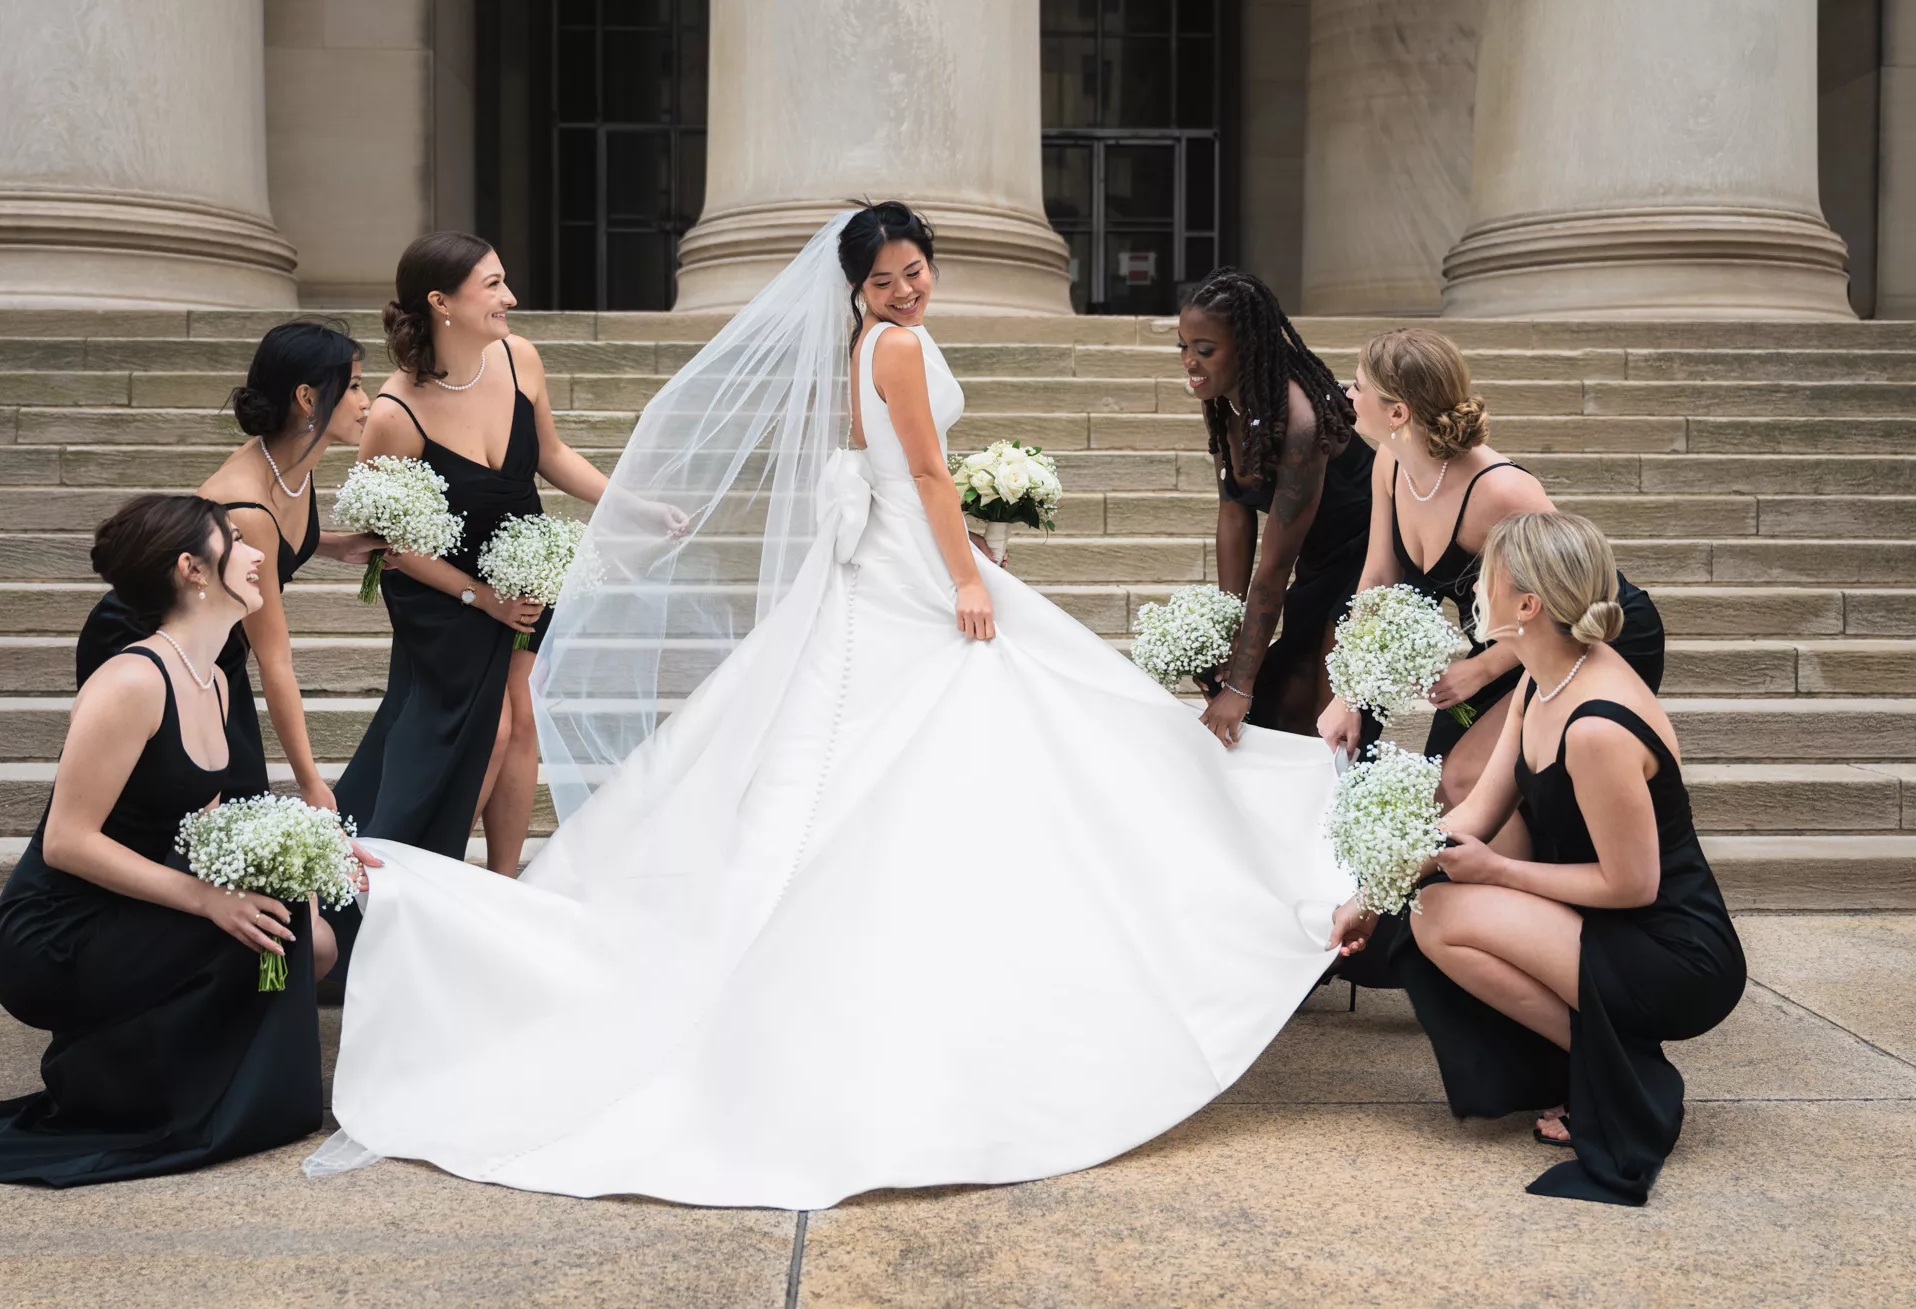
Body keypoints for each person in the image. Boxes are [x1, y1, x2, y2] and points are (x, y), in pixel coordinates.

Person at [306, 203, 1355, 1210]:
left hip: (883, 558)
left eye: (915, 269)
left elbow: (895, 471)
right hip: (909, 567)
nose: (907, 289)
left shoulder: (869, 343)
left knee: (955, 742)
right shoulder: (890, 348)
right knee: (999, 730)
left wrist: (964, 543)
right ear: (854, 288)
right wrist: (967, 578)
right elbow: (930, 480)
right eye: (884, 278)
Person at [0, 496, 367, 1186]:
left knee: (303, 925)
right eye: (235, 541)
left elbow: (218, 821)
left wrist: (317, 851)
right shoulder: (130, 680)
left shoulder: (213, 679)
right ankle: (123, 1086)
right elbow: (66, 842)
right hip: (53, 934)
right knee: (270, 930)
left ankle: (203, 1083)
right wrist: (209, 901)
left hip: (134, 907)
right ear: (192, 569)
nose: (257, 553)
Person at [1331, 513, 1746, 1206]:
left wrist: (1500, 873)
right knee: (1429, 912)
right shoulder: (1540, 677)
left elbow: (1633, 883)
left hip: (1677, 951)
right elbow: (1474, 814)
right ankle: (1601, 1063)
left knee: (1449, 907)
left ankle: (1626, 1075)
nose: (1472, 592)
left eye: (1485, 576)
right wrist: (1373, 895)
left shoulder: (1597, 725)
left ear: (1527, 604)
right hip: (1610, 918)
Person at [333, 231, 613, 878]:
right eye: (492, 285)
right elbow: (390, 549)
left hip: (523, 565)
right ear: (441, 302)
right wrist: (482, 599)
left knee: (522, 724)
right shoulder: (394, 414)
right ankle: (430, 882)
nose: (510, 297)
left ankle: (504, 882)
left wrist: (629, 505)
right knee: (475, 742)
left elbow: (551, 454)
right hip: (447, 597)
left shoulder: (520, 358)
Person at [1318, 329, 1665, 815]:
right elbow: (1377, 581)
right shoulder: (1388, 464)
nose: (1345, 394)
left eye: (1357, 385)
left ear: (1398, 413)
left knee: (1462, 782)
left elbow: (1575, 594)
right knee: (1444, 783)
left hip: (1588, 632)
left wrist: (1480, 669)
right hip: (1509, 638)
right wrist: (1348, 695)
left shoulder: (1502, 492)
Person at [73, 320, 382, 808]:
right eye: (357, 386)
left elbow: (281, 533)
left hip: (213, 641)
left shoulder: (290, 461)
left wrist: (337, 545)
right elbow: (275, 657)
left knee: (229, 801)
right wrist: (311, 782)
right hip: (149, 635)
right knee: (181, 805)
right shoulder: (246, 500)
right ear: (307, 397)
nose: (368, 401)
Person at [1176, 269, 1372, 745]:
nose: (1189, 362)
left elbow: (1274, 564)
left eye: (1204, 350)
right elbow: (1234, 512)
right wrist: (1225, 633)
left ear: (1247, 348)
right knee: (1280, 710)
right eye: (1183, 347)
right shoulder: (1225, 399)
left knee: (1326, 714)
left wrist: (1240, 683)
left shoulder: (1300, 424)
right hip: (1320, 556)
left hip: (1370, 557)